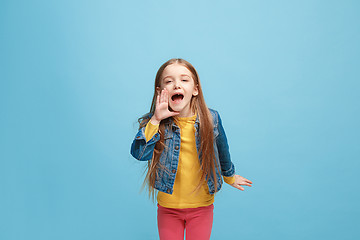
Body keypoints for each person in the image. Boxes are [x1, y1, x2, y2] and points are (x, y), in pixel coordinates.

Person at [130, 58, 252, 240]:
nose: (177, 85)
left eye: (184, 80)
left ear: (195, 89)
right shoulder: (154, 123)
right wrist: (155, 120)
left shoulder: (211, 119)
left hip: (201, 206)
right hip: (168, 208)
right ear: (160, 91)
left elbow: (222, 151)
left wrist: (229, 176)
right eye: (169, 81)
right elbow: (140, 154)